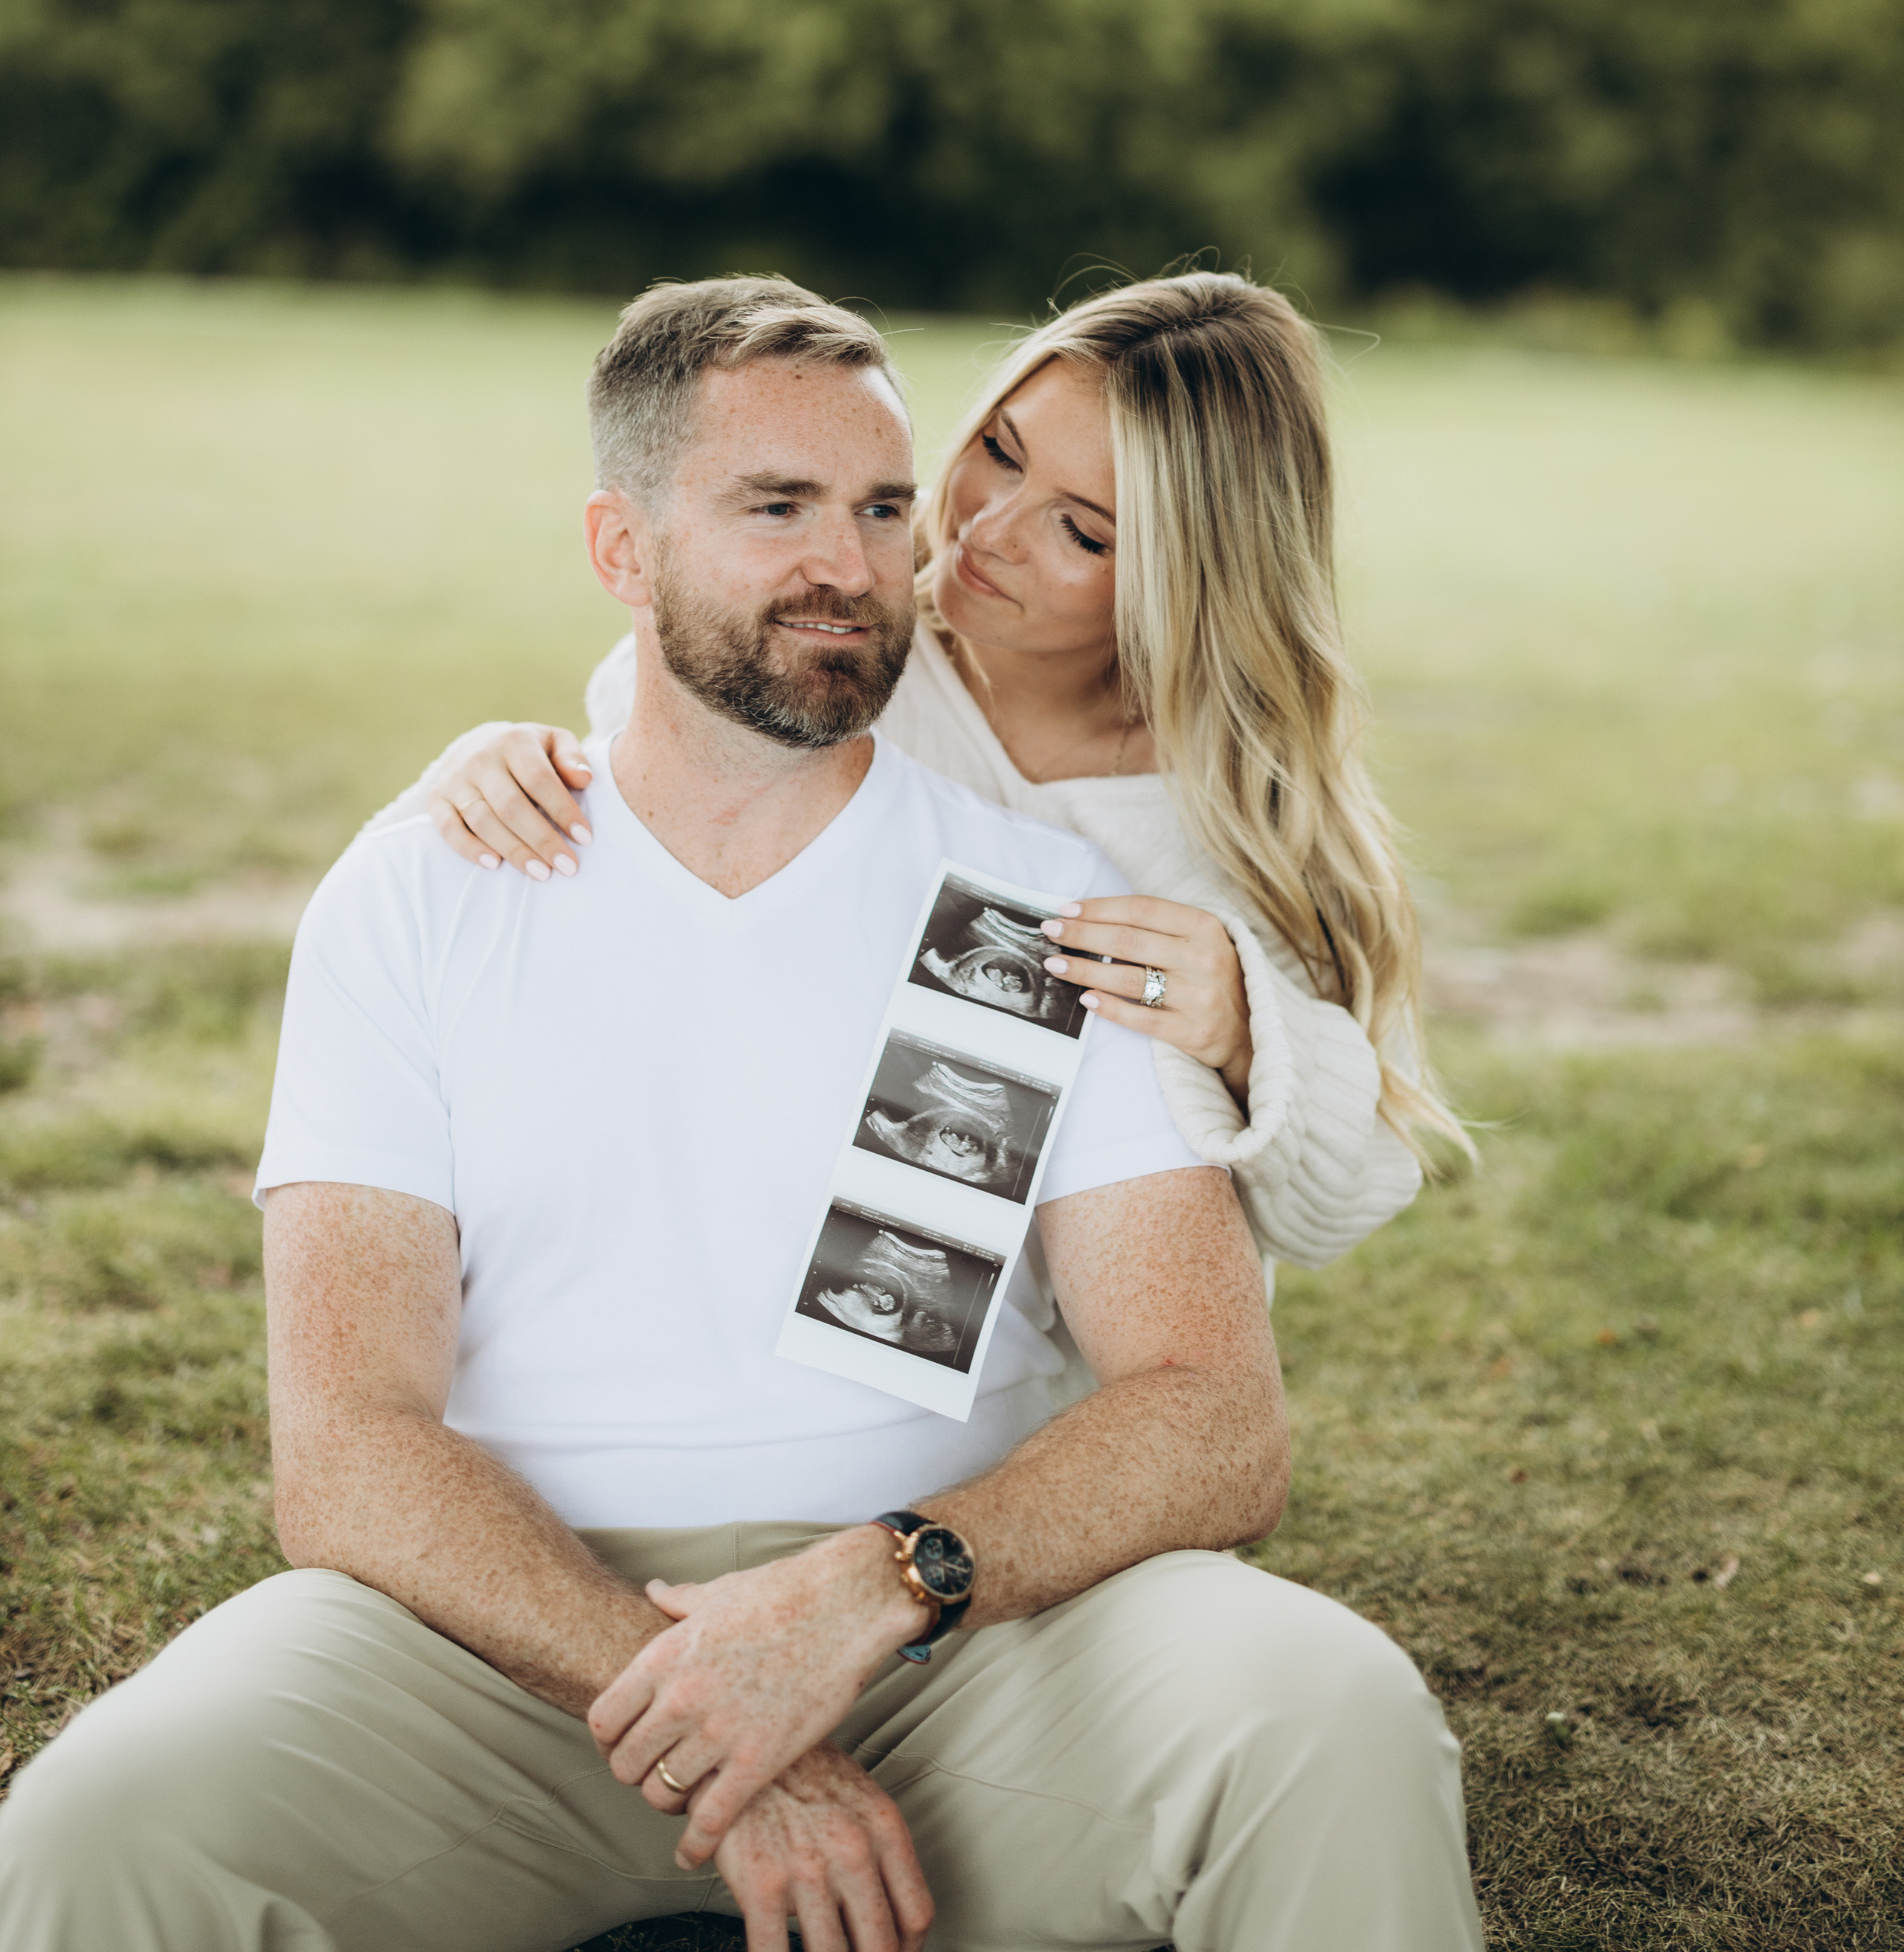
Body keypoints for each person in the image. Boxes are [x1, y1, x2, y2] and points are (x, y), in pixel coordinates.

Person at [0, 277, 1484, 1952]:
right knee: (97, 1825)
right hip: (495, 1645)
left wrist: (868, 1590)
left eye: (874, 508)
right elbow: (346, 1446)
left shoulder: (1075, 906)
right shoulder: (435, 879)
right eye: (784, 507)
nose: (872, 563)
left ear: (1170, 584)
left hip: (950, 1612)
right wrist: (711, 1696)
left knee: (1327, 1715)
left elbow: (1222, 1392)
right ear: (620, 549)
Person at [393, 272, 1472, 1317]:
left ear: (1191, 572)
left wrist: (1246, 1033)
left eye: (1082, 530)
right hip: (754, 1293)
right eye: (1000, 452)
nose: (988, 528)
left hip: (1063, 1368)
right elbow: (635, 799)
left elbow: (1341, 1206)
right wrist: (492, 766)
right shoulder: (841, 659)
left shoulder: (1239, 814)